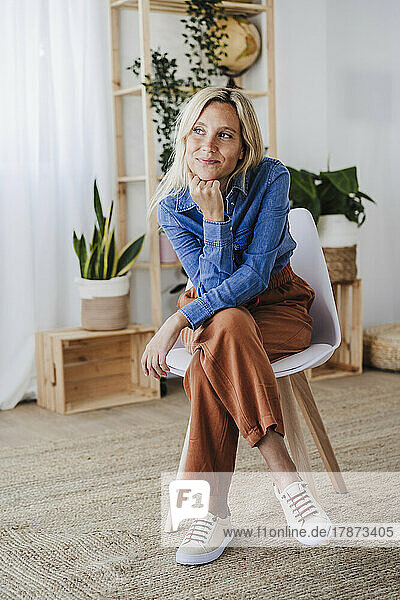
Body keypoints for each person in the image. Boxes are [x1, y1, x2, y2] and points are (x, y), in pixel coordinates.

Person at [141, 86, 331, 566]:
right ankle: (288, 481)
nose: (208, 146)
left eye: (225, 135)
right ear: (184, 139)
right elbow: (212, 287)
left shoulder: (271, 177)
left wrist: (178, 319)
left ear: (245, 145)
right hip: (215, 312)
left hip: (279, 307)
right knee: (225, 325)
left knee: (212, 355)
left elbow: (253, 276)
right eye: (199, 132)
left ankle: (208, 516)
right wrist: (213, 220)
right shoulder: (174, 205)